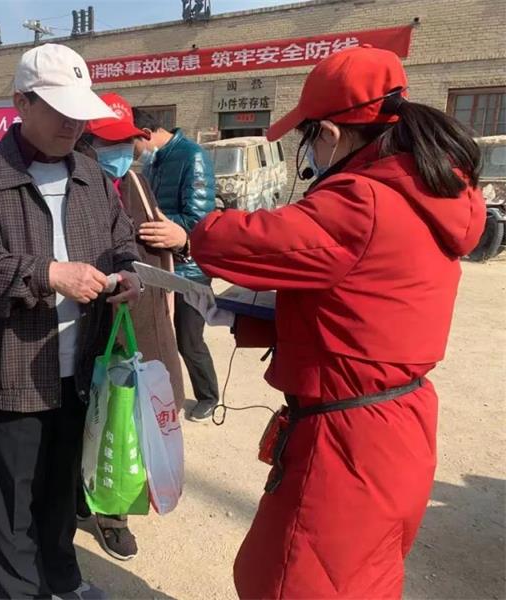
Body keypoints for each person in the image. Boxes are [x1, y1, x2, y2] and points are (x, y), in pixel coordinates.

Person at [190, 47, 485, 598]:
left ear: (328, 133)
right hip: (398, 422)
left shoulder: (361, 200)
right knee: (364, 578)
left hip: (347, 439)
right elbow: (363, 313)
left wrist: (194, 227)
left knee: (287, 581)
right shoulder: (430, 190)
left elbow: (229, 241)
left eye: (307, 139)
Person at [0, 44, 141, 600]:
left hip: (81, 368)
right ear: (21, 103)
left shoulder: (91, 175)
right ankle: (21, 592)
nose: (73, 124)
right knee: (12, 500)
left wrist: (128, 274)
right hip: (11, 370)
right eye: (58, 110)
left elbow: (121, 240)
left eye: (79, 112)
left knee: (60, 489)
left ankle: (63, 579)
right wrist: (49, 274)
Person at [74, 92, 187, 561]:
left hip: (142, 317)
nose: (120, 153)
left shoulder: (137, 182)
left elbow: (164, 241)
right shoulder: (71, 185)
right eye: (108, 144)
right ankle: (83, 494)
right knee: (90, 412)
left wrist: (179, 237)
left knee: (130, 418)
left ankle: (114, 512)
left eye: (126, 143)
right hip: (90, 321)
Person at [131, 108, 219, 422]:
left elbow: (199, 220)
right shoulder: (153, 162)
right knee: (163, 337)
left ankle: (209, 396)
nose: (132, 153)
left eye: (132, 144)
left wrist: (153, 223)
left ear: (145, 133)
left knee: (189, 340)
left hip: (190, 269)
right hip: (162, 266)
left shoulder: (191, 156)